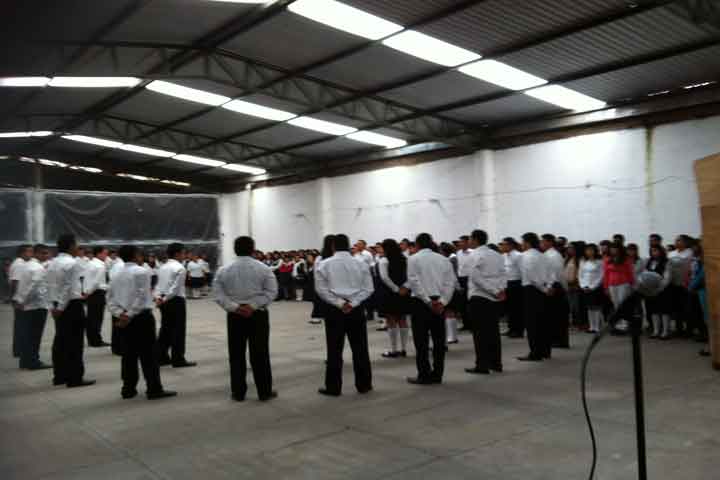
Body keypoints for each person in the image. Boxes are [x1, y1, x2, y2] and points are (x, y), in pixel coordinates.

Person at [107, 245, 177, 401]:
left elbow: (110, 298)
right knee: (148, 354)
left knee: (128, 355)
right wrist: (129, 314)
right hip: (141, 317)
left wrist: (120, 314)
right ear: (135, 255)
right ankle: (154, 388)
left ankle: (128, 389)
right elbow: (142, 296)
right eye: (140, 254)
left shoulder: (116, 273)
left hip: (124, 317)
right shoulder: (141, 271)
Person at [213, 236, 278, 402]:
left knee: (236, 354)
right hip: (258, 315)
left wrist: (235, 307)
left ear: (235, 250)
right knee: (260, 353)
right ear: (253, 249)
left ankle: (238, 392)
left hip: (235, 316)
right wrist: (253, 306)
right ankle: (264, 391)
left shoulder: (223, 270)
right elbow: (272, 292)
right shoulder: (264, 268)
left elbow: (218, 294)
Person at [315, 234, 374, 396]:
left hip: (334, 310)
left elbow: (321, 289)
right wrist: (353, 303)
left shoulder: (324, 264)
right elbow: (368, 288)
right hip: (356, 310)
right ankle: (364, 384)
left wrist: (340, 303)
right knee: (360, 348)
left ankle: (333, 387)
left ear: (333, 246)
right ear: (348, 245)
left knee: (334, 350)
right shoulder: (360, 263)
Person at [406, 233, 456, 385]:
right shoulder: (443, 259)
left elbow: (414, 282)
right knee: (439, 340)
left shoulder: (413, 259)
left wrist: (427, 301)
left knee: (421, 341)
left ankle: (424, 374)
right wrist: (442, 302)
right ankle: (438, 374)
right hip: (439, 302)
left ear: (417, 245)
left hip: (420, 302)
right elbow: (450, 283)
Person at [46, 234, 95, 388]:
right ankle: (74, 377)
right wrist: (61, 307)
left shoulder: (52, 263)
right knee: (75, 343)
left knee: (60, 341)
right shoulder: (72, 263)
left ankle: (59, 375)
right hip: (71, 305)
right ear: (71, 246)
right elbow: (68, 287)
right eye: (76, 245)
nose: (77, 248)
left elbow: (49, 286)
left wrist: (53, 307)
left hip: (57, 304)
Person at [465, 229, 506, 375]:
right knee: (493, 331)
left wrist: (493, 290)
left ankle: (482, 365)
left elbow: (476, 278)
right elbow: (503, 274)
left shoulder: (474, 255)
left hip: (479, 296)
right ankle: (496, 363)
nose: (469, 241)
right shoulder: (497, 255)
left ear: (475, 240)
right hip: (495, 297)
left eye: (470, 238)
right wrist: (500, 290)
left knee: (480, 333)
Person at [155, 243, 196, 368]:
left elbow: (158, 285)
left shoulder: (162, 267)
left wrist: (158, 298)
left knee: (166, 329)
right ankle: (178, 359)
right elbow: (175, 288)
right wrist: (165, 298)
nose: (185, 255)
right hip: (175, 300)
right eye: (184, 253)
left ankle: (161, 357)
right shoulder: (180, 268)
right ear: (177, 254)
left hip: (163, 300)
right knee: (178, 330)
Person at [13, 244, 52, 370]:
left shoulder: (26, 265)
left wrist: (20, 300)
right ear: (36, 254)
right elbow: (34, 288)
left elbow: (22, 285)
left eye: (47, 253)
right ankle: (33, 361)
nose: (47, 256)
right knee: (34, 336)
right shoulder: (38, 268)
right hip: (36, 306)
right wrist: (23, 300)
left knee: (27, 335)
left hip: (27, 305)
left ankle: (25, 361)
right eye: (44, 253)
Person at [518, 232, 552, 361]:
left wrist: (543, 288)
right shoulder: (542, 255)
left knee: (532, 323)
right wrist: (548, 287)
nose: (521, 244)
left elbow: (531, 276)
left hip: (532, 290)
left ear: (527, 243)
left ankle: (535, 353)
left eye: (522, 242)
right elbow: (550, 273)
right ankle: (545, 351)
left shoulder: (525, 256)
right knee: (543, 322)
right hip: (543, 289)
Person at [376, 239, 412, 358]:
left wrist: (396, 289)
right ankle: (404, 349)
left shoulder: (384, 260)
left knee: (391, 320)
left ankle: (393, 350)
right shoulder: (405, 259)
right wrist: (405, 287)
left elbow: (385, 278)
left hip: (389, 293)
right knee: (402, 319)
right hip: (404, 292)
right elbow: (410, 275)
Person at [542, 234, 569, 349]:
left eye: (543, 241)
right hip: (552, 285)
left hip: (555, 286)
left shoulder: (554, 255)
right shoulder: (547, 254)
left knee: (558, 316)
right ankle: (555, 338)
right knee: (552, 316)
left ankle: (560, 340)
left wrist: (562, 287)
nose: (541, 244)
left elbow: (558, 274)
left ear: (549, 242)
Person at [603, 242, 635, 333]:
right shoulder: (607, 259)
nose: (613, 250)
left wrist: (632, 284)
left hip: (623, 284)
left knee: (623, 304)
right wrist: (605, 287)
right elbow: (606, 274)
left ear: (620, 249)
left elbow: (630, 273)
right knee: (616, 305)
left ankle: (625, 325)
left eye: (615, 248)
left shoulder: (626, 259)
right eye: (612, 248)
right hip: (611, 284)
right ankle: (618, 324)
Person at [667, 235, 694, 337]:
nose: (676, 242)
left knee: (688, 308)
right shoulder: (671, 253)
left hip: (686, 284)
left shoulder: (690, 252)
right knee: (676, 308)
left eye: (679, 240)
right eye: (676, 240)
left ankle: (689, 329)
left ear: (685, 242)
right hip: (674, 284)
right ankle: (679, 329)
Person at [84, 246, 110, 347]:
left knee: (91, 317)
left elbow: (87, 279)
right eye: (105, 254)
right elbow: (96, 282)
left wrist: (86, 292)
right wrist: (89, 292)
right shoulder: (100, 265)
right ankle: (96, 340)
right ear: (98, 254)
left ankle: (91, 339)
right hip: (97, 293)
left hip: (90, 292)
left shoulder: (90, 263)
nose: (106, 256)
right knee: (97, 318)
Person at [9, 245, 33, 358]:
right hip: (19, 298)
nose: (31, 254)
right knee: (21, 325)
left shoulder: (20, 263)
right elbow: (15, 282)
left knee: (20, 324)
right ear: (22, 253)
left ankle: (18, 349)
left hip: (19, 298)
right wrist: (15, 298)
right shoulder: (19, 264)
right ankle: (19, 349)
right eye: (29, 251)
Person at [644, 245, 672, 339]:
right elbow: (646, 274)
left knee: (664, 310)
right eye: (652, 251)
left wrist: (660, 287)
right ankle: (656, 331)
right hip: (651, 290)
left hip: (663, 289)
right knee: (653, 310)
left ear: (661, 251)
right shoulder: (649, 262)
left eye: (656, 250)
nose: (654, 253)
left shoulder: (667, 262)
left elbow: (667, 277)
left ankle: (665, 331)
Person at [500, 237, 524, 338]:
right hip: (507, 284)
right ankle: (511, 328)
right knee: (509, 308)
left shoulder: (518, 255)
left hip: (516, 283)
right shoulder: (503, 256)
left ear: (510, 245)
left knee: (517, 309)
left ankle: (518, 330)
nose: (502, 246)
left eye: (504, 244)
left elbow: (522, 271)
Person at [310, 235, 335, 325]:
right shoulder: (320, 258)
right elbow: (316, 273)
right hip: (326, 284)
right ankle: (317, 316)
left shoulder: (321, 258)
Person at [579, 244, 604, 334]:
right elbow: (580, 275)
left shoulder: (599, 262)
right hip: (585, 287)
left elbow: (601, 276)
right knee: (589, 308)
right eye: (587, 250)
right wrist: (583, 286)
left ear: (595, 251)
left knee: (596, 307)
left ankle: (597, 327)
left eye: (591, 250)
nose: (589, 252)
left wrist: (593, 286)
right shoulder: (583, 262)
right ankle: (591, 326)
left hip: (595, 287)